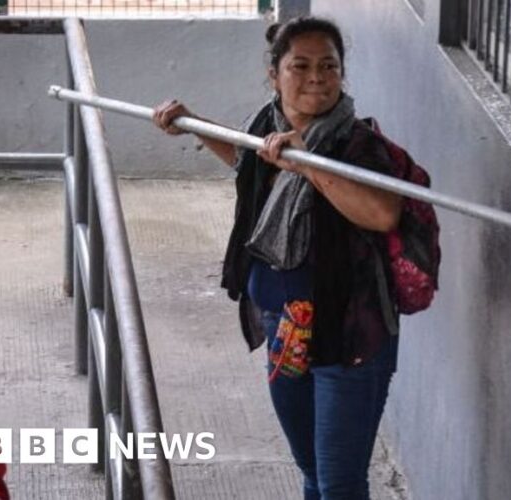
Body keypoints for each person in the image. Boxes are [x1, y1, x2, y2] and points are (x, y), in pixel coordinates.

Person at [153, 16, 404, 500]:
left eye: (329, 65)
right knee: (312, 472)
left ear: (342, 74)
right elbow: (251, 164)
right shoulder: (266, 127)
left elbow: (381, 213)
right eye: (301, 65)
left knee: (340, 483)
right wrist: (194, 125)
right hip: (287, 332)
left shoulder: (358, 144)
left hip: (350, 339)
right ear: (274, 74)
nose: (316, 77)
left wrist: (308, 165)